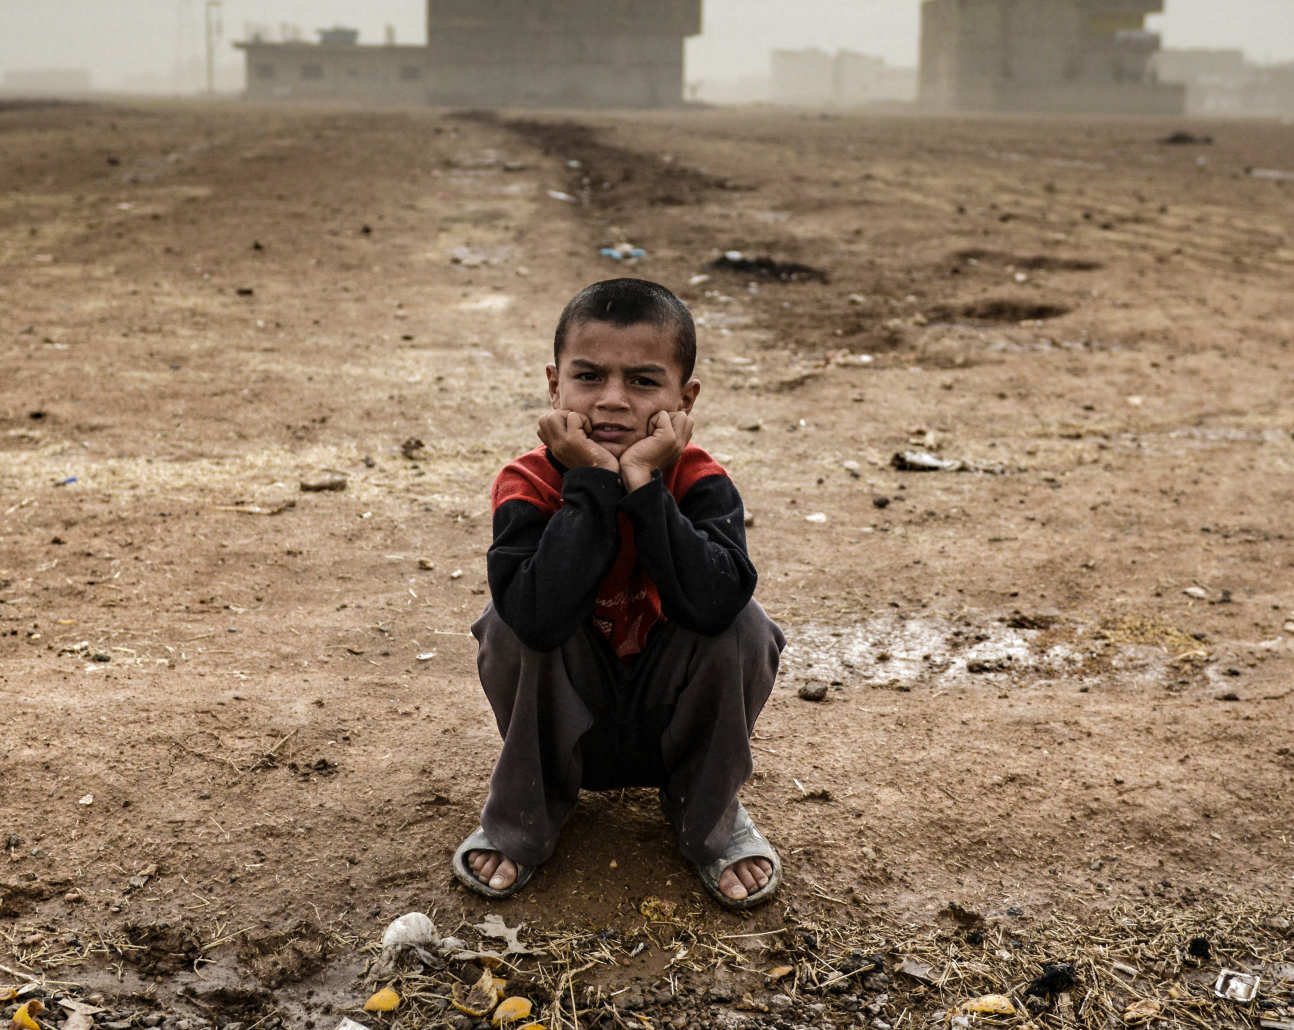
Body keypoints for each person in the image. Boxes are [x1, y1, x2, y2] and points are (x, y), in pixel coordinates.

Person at [452, 278, 786, 908]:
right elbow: (536, 619)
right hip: (567, 733)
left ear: (683, 399)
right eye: (588, 376)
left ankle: (708, 817)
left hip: (672, 732)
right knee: (506, 620)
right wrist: (590, 482)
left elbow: (714, 604)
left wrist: (644, 488)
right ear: (555, 384)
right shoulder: (528, 481)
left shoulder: (702, 481)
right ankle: (527, 815)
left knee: (746, 625)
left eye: (641, 381)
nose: (611, 401)